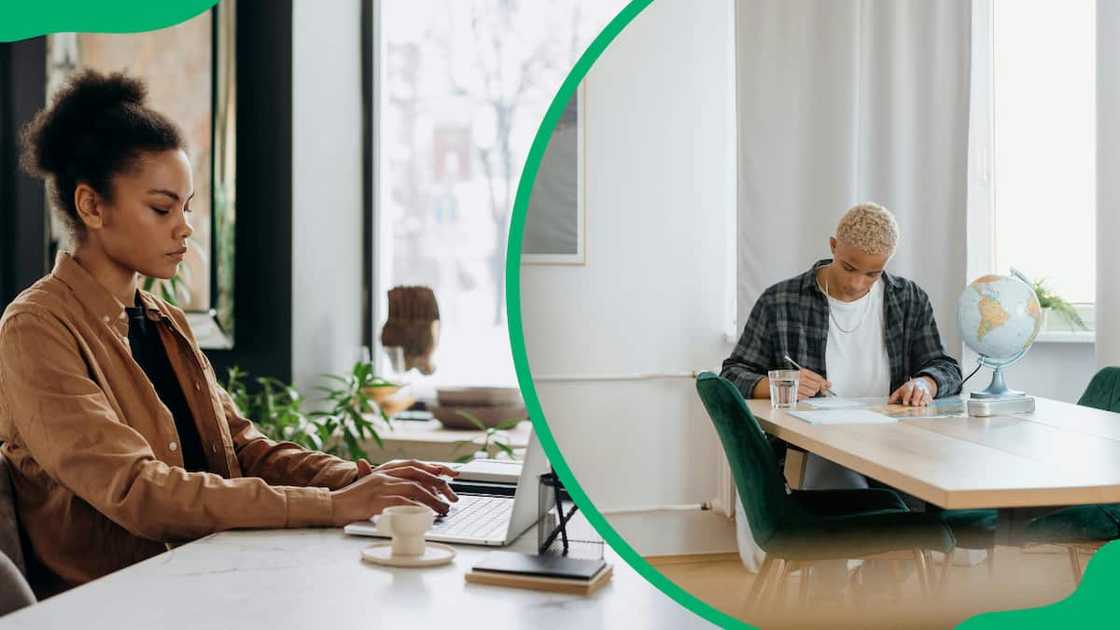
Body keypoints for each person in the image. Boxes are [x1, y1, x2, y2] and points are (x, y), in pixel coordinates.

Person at [0, 70, 457, 596]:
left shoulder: (162, 320)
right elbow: (136, 490)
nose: (185, 227)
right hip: (116, 604)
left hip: (207, 580)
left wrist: (355, 479)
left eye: (186, 207)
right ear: (92, 206)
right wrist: (333, 506)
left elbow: (241, 450)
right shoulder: (36, 328)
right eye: (161, 207)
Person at [720, 202, 963, 593]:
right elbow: (732, 374)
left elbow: (946, 367)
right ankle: (831, 598)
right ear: (833, 245)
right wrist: (781, 382)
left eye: (873, 273)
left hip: (898, 449)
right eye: (849, 268)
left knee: (909, 526)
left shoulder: (909, 299)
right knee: (846, 500)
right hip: (820, 449)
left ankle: (866, 598)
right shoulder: (781, 301)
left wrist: (926, 383)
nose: (857, 283)